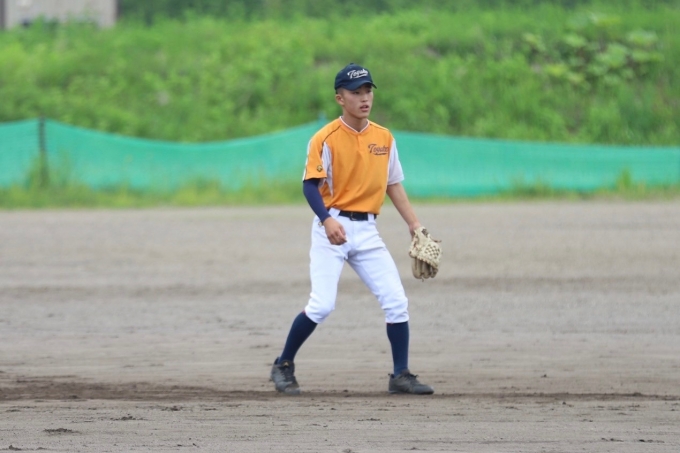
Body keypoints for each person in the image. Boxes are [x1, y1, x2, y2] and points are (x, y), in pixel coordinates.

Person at [270, 63, 434, 395]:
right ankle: (283, 364)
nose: (364, 98)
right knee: (322, 305)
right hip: (331, 227)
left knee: (396, 301)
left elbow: (393, 184)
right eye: (356, 92)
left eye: (368, 91)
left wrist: (414, 224)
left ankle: (400, 375)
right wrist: (326, 219)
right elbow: (309, 185)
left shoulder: (384, 138)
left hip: (368, 230)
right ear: (340, 98)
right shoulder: (325, 138)